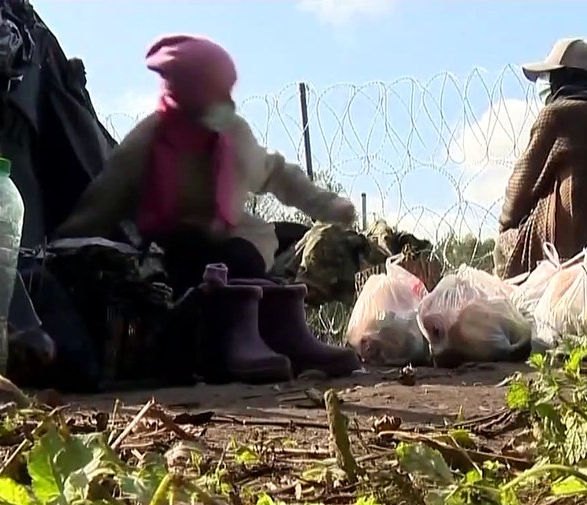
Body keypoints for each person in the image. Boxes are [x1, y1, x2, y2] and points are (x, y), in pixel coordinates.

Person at [55, 34, 360, 383]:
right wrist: (63, 242)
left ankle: (286, 337)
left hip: (236, 238)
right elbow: (105, 197)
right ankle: (224, 349)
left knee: (241, 259)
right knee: (189, 270)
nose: (225, 102)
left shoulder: (233, 136)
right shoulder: (149, 142)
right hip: (174, 248)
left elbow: (275, 172)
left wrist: (327, 204)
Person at [493, 38, 587, 279]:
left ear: (565, 77)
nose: (546, 85)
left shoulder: (559, 115)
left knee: (505, 242)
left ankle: (516, 304)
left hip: (567, 257)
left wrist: (506, 231)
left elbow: (518, 190)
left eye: (549, 76)